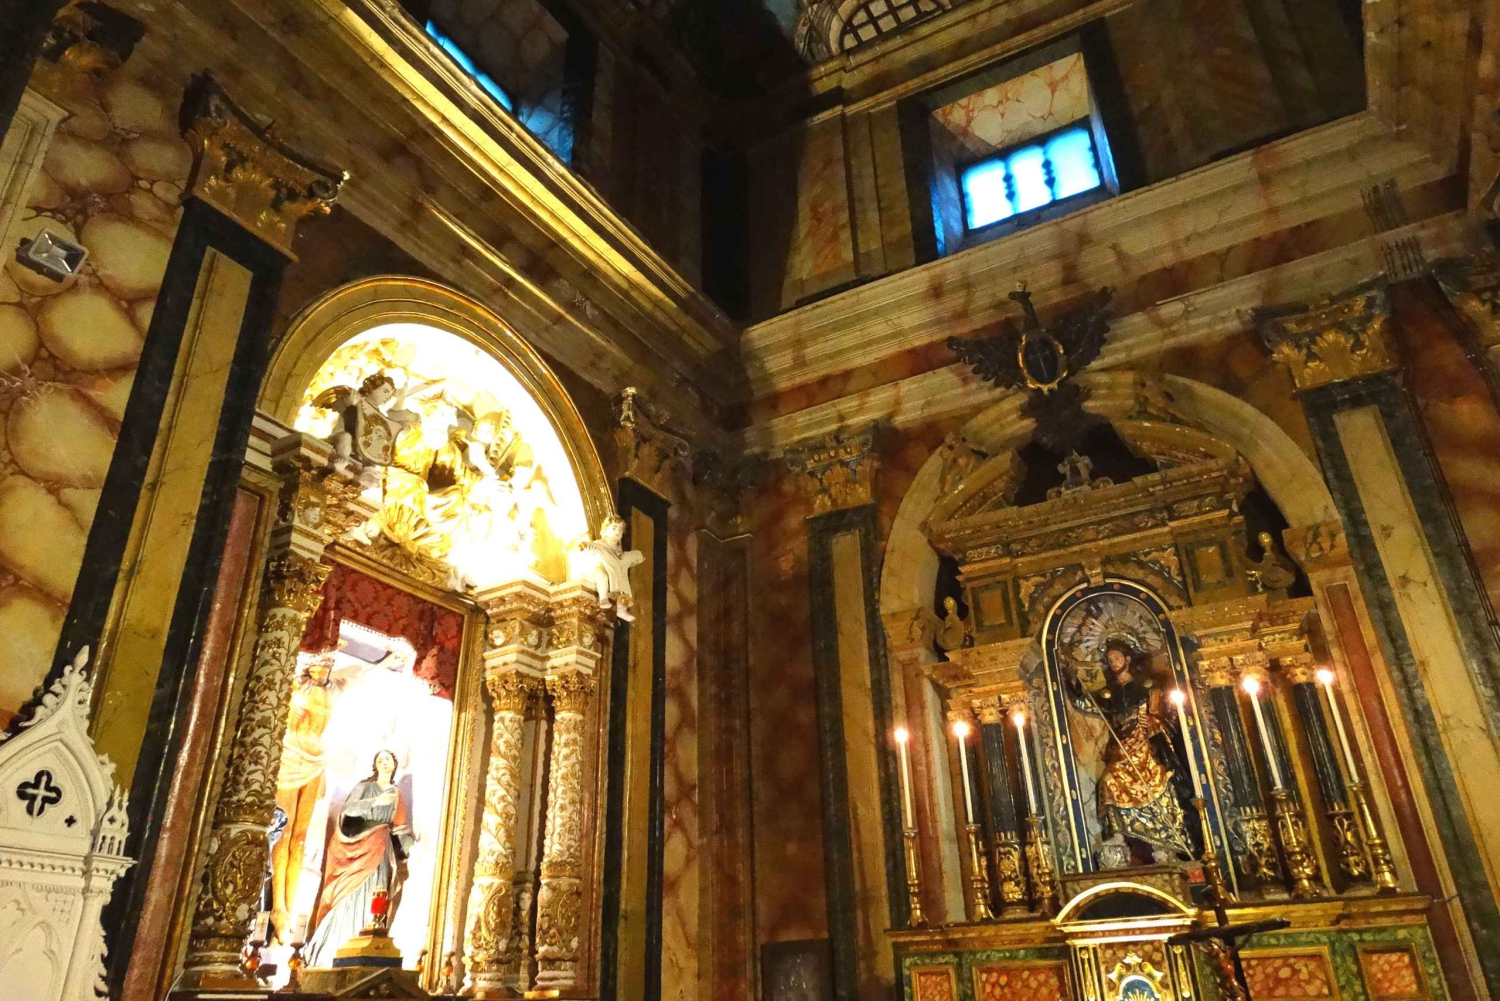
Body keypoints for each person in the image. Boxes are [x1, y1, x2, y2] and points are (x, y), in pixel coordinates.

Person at [1087, 639, 1196, 865]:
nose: (1113, 662)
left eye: (1117, 658)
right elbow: (1087, 702)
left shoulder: (1147, 685)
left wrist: (1150, 722)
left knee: (1156, 783)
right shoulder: (1109, 694)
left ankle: (1164, 841)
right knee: (1109, 780)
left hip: (1144, 744)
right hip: (1121, 747)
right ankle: (1118, 835)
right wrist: (1070, 681)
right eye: (1110, 659)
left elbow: (1158, 714)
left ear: (1127, 660)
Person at [304, 750, 414, 966]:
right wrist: (375, 802)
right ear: (375, 765)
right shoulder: (364, 787)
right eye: (380, 760)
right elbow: (348, 810)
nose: (384, 762)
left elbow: (400, 828)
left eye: (388, 759)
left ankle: (366, 944)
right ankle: (331, 952)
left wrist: (409, 848)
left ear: (394, 765)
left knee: (376, 894)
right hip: (357, 848)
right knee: (348, 894)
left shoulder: (397, 794)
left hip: (381, 850)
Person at [270, 656, 337, 943]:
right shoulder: (295, 689)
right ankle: (278, 907)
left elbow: (359, 673)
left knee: (300, 838)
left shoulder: (330, 692)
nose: (322, 669)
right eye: (318, 663)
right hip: (291, 756)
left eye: (327, 665)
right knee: (283, 834)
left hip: (315, 759)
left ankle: (291, 904)